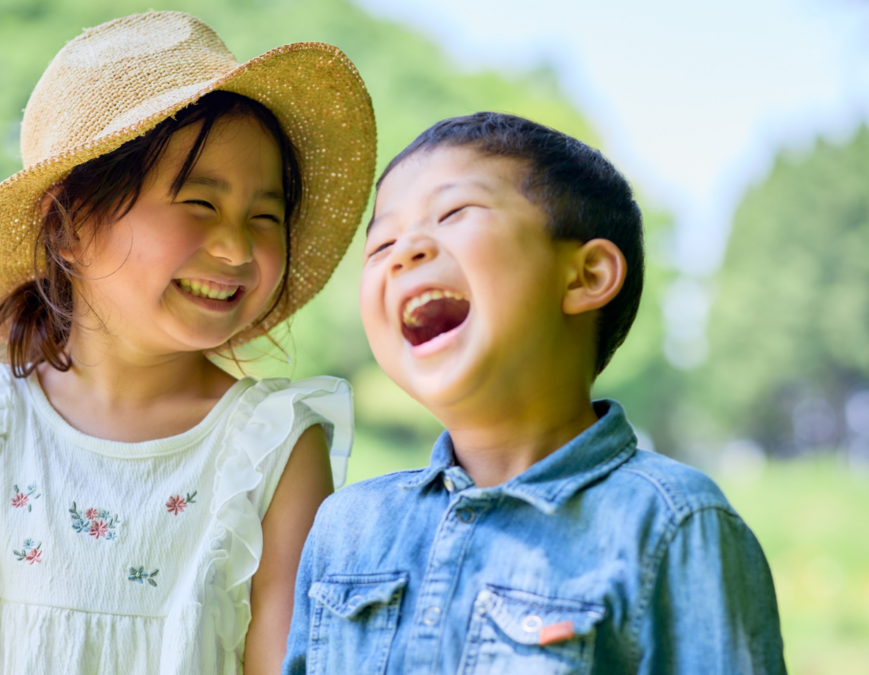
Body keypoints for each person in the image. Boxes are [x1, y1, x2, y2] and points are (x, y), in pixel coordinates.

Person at [0, 12, 375, 675]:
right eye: (200, 203)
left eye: (265, 215)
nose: (236, 247)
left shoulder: (271, 450)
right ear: (69, 228)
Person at [283, 113, 786, 674]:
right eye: (381, 246)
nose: (404, 253)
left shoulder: (674, 525)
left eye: (453, 214)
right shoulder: (348, 526)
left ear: (585, 275)